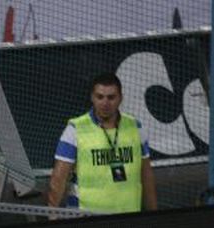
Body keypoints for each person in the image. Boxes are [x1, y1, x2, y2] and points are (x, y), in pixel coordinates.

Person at [47, 73, 158, 215]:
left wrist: (154, 214)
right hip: (86, 217)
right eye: (100, 97)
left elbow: (146, 175)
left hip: (128, 215)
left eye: (111, 97)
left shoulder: (135, 127)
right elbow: (58, 178)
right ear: (92, 97)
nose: (105, 103)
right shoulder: (74, 130)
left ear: (120, 98)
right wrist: (52, 216)